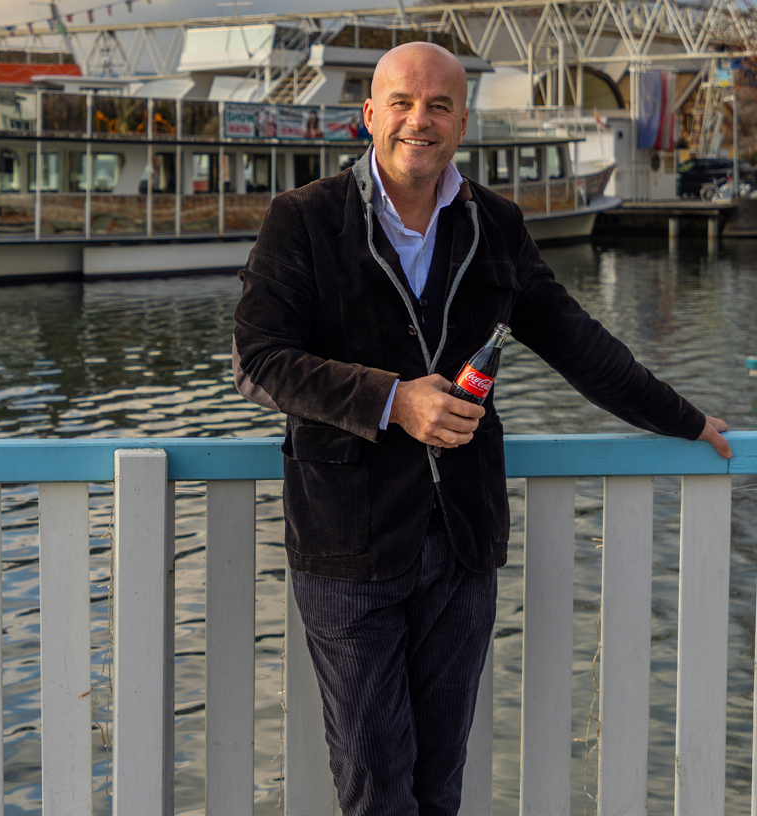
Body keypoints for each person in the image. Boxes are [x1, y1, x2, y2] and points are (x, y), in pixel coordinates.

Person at [232, 42, 732, 816]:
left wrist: (687, 418)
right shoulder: (303, 219)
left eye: (438, 105)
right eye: (401, 102)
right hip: (348, 543)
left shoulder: (492, 223)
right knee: (374, 785)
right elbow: (259, 361)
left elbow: (576, 342)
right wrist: (395, 400)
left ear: (462, 122)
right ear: (368, 116)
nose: (418, 121)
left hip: (462, 541)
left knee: (439, 785)